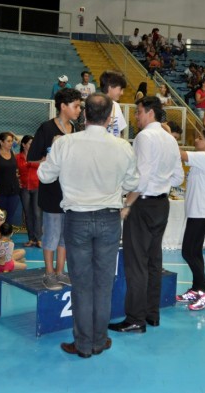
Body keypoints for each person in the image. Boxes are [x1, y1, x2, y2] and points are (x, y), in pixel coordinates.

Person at [38, 93, 139, 356]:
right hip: (109, 218)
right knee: (103, 284)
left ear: (84, 115)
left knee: (82, 285)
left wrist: (52, 152)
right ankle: (99, 340)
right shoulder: (123, 147)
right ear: (110, 117)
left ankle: (83, 344)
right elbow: (133, 183)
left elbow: (44, 176)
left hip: (77, 219)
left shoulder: (64, 143)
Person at [109, 96, 184, 334]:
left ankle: (135, 319)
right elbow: (178, 178)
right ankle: (152, 314)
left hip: (142, 205)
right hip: (161, 204)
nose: (136, 117)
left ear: (150, 112)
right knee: (153, 261)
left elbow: (140, 178)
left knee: (136, 264)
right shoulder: (170, 139)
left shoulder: (144, 137)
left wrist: (127, 203)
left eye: (139, 112)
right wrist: (161, 182)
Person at [28, 88, 82, 290]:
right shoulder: (46, 128)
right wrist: (52, 156)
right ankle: (49, 274)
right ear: (63, 106)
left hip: (70, 192)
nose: (79, 110)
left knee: (65, 235)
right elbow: (32, 159)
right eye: (76, 106)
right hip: (51, 190)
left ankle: (60, 271)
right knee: (51, 233)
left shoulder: (74, 129)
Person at [175, 129, 205, 311]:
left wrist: (167, 135)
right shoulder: (201, 159)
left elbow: (179, 154)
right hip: (198, 214)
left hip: (201, 215)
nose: (196, 140)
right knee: (195, 253)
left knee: (188, 253)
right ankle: (197, 289)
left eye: (200, 138)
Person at [0, 132, 20, 225]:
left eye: (11, 141)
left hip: (13, 190)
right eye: (8, 141)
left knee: (10, 217)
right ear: (1, 142)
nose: (11, 143)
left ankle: (7, 233)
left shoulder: (13, 153)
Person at [16, 135, 42, 247]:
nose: (32, 145)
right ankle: (31, 239)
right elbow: (14, 171)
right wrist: (17, 181)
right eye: (30, 143)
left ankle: (39, 239)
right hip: (24, 188)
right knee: (27, 214)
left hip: (37, 186)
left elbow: (42, 165)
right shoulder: (17, 157)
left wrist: (30, 163)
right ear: (24, 144)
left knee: (37, 213)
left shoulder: (38, 156)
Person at [99, 71, 128, 138]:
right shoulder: (94, 106)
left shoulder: (116, 106)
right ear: (110, 87)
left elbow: (120, 132)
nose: (122, 93)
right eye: (120, 89)